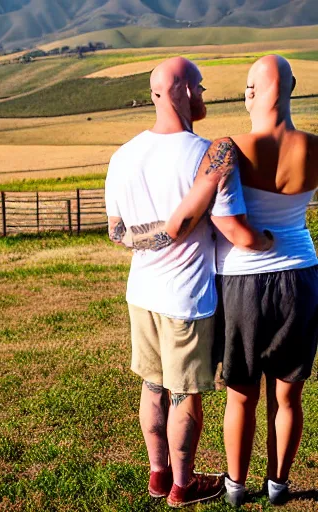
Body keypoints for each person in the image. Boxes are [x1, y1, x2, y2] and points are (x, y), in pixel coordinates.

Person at [105, 57, 268, 508]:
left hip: (141, 293)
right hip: (186, 296)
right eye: (198, 86)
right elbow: (228, 224)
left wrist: (151, 238)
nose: (204, 93)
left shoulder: (123, 155)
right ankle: (183, 482)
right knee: (185, 395)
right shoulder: (206, 156)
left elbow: (117, 232)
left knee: (151, 387)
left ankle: (158, 476)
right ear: (179, 92)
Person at [161, 55, 318, 506]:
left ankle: (234, 486)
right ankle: (279, 485)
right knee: (288, 397)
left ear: (251, 92)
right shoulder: (314, 148)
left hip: (242, 282)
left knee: (241, 396)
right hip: (301, 278)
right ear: (292, 88)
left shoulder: (227, 147)